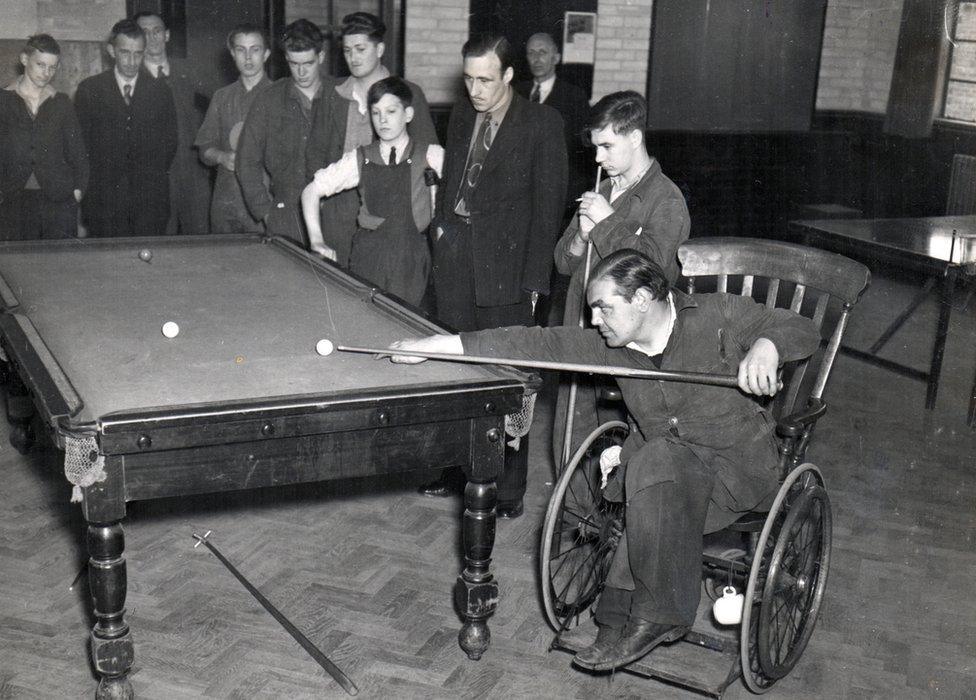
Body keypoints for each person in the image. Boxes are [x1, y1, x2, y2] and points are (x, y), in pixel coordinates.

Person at [384, 248, 821, 671]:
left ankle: (655, 615)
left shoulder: (717, 315)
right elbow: (534, 342)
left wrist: (767, 345)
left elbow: (802, 330)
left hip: (741, 474)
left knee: (651, 465)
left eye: (604, 308)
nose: (594, 320)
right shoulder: (612, 347)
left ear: (643, 299)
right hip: (669, 480)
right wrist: (438, 344)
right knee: (651, 469)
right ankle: (617, 621)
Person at [422, 33, 567, 517]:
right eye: (468, 79)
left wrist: (534, 287)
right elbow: (452, 186)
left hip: (507, 270)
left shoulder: (543, 124)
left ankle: (507, 491)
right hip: (456, 259)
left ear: (509, 74)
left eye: (486, 79)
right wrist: (441, 234)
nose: (475, 89)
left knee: (507, 381)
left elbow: (548, 212)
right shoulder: (463, 113)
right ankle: (451, 471)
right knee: (453, 371)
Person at [551, 90, 690, 468]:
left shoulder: (666, 199)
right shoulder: (602, 189)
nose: (598, 158)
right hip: (580, 332)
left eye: (607, 146)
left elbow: (657, 270)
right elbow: (563, 264)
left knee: (618, 451)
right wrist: (581, 234)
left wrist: (608, 222)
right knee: (570, 443)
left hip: (625, 344)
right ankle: (569, 525)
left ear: (635, 137)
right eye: (595, 147)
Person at [305, 12, 437, 265]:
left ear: (380, 49)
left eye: (360, 48)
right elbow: (315, 153)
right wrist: (322, 209)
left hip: (391, 219)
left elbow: (427, 160)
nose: (353, 57)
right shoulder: (332, 95)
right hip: (337, 214)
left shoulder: (409, 94)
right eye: (347, 50)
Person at [301, 77, 443, 305]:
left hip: (412, 260)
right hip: (368, 258)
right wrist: (316, 239)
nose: (382, 120)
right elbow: (310, 191)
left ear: (408, 114)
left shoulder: (431, 155)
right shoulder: (360, 157)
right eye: (376, 113)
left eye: (391, 111)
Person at [75, 18, 177, 237]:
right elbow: (81, 148)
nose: (132, 61)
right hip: (104, 204)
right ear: (111, 51)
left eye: (138, 53)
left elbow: (169, 145)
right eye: (124, 53)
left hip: (150, 204)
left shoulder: (160, 91)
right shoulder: (89, 90)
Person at [236, 19, 331, 245]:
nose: (301, 72)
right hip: (286, 213)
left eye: (307, 63)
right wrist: (266, 212)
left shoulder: (340, 96)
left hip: (334, 215)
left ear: (321, 57)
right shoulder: (268, 99)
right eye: (293, 63)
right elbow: (246, 160)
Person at [0, 33, 88, 240]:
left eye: (52, 67)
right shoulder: (2, 100)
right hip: (12, 201)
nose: (46, 73)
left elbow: (78, 154)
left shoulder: (62, 102)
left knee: (59, 265)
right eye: (40, 65)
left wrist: (77, 191)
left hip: (58, 201)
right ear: (24, 60)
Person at [134, 11, 212, 235]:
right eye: (144, 33)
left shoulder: (191, 71)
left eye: (157, 31)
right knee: (158, 241)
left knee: (200, 241)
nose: (152, 37)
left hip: (193, 173)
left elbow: (221, 102)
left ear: (167, 35)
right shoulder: (130, 78)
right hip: (153, 178)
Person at [194, 23, 272, 234]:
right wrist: (221, 157)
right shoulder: (221, 97)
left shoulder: (279, 96)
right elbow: (204, 149)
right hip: (225, 205)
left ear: (266, 54)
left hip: (264, 208)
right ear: (232, 54)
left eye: (255, 50)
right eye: (241, 50)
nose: (248, 58)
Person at [515, 32, 591, 203]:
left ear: (556, 58)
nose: (536, 58)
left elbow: (581, 148)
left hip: (558, 188)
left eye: (542, 52)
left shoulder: (574, 96)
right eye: (531, 53)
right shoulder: (515, 93)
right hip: (520, 188)